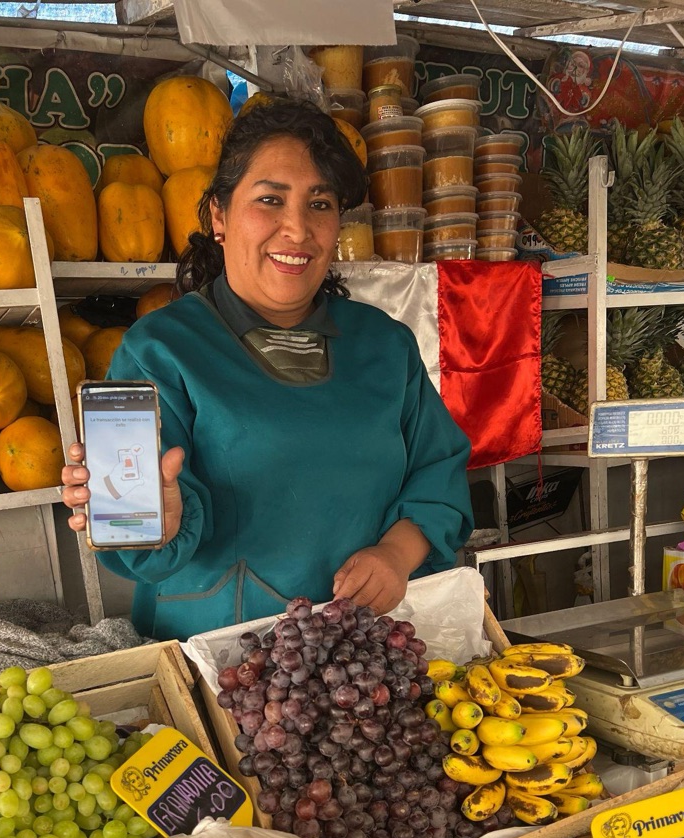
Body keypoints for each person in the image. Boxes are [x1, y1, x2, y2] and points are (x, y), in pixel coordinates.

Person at [61, 99, 474, 640]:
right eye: (269, 200)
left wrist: (397, 554)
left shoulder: (384, 345)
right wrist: (152, 523)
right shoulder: (160, 350)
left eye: (320, 204)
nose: (297, 229)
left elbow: (437, 472)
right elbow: (139, 528)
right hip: (226, 659)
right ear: (219, 215)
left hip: (368, 654)